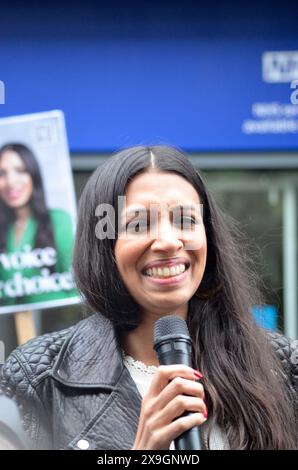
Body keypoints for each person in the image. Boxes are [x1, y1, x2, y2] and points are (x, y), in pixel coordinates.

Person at [0, 145, 297, 450]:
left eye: (186, 220)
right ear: (104, 245)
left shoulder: (281, 366)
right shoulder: (36, 379)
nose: (168, 242)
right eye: (139, 224)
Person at [0, 143, 77, 307]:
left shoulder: (58, 220)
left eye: (20, 170)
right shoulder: (4, 229)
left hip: (59, 324)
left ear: (33, 176)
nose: (11, 181)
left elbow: (76, 285)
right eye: (2, 173)